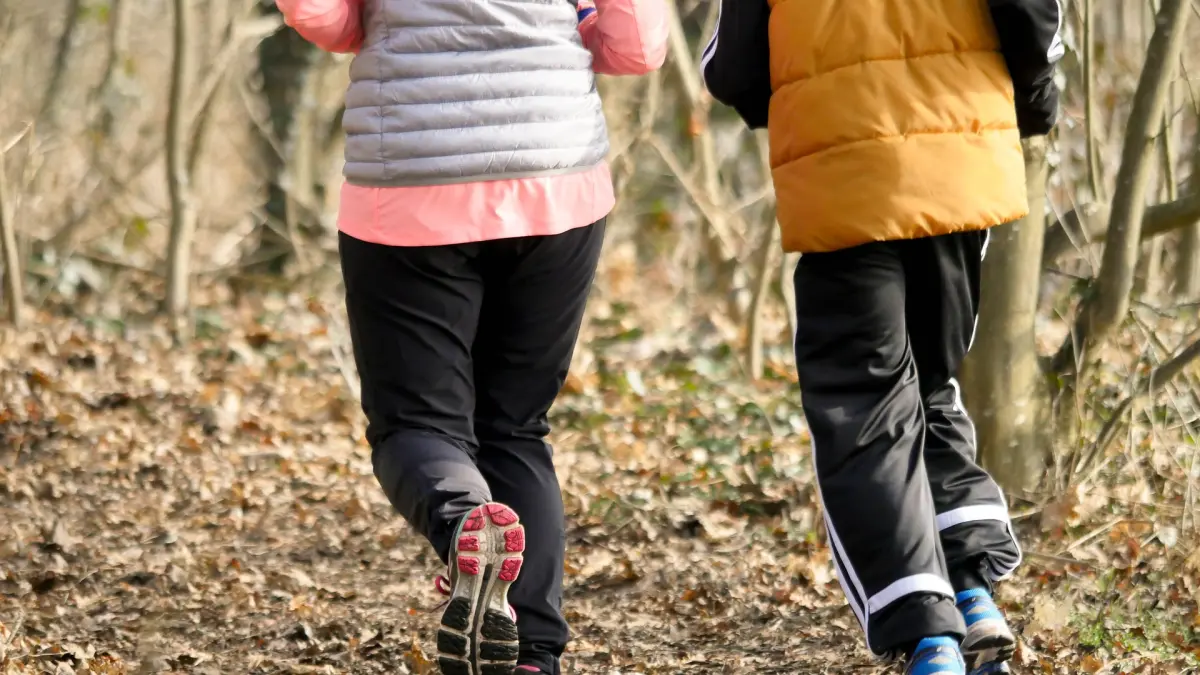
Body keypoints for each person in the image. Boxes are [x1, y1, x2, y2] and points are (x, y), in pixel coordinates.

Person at [274, 0, 668, 672]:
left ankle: (466, 521)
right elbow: (636, 44)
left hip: (411, 174)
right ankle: (533, 654)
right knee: (516, 424)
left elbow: (323, 18)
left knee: (415, 423)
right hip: (553, 166)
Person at [702, 1, 1062, 674]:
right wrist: (1033, 101)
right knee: (930, 384)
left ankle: (930, 637)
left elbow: (731, 66)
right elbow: (1032, 15)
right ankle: (972, 590)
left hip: (842, 173)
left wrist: (797, 98)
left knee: (865, 408)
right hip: (960, 160)